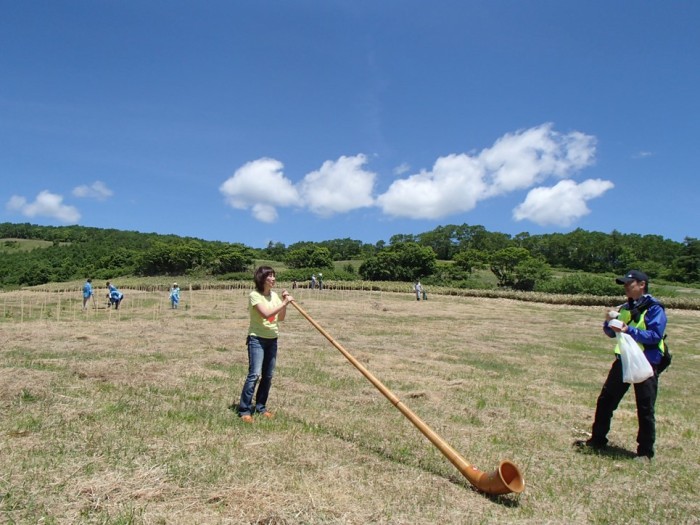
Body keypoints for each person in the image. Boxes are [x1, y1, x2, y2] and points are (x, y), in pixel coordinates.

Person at [575, 270, 668, 461]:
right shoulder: (625, 307)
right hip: (624, 360)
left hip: (646, 362)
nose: (626, 287)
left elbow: (655, 336)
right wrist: (608, 322)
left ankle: (645, 453)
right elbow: (611, 333)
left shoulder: (655, 308)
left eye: (629, 283)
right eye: (625, 284)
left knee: (645, 407)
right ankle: (597, 440)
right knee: (606, 400)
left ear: (642, 285)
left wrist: (629, 329)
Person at [236, 266, 294, 423]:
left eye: (274, 276)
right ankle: (244, 410)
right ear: (262, 279)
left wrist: (284, 304)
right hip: (257, 339)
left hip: (272, 338)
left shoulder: (274, 296)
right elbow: (266, 314)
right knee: (254, 374)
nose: (273, 279)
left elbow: (280, 318)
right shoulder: (254, 296)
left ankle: (261, 407)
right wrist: (284, 302)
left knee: (268, 376)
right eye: (270, 276)